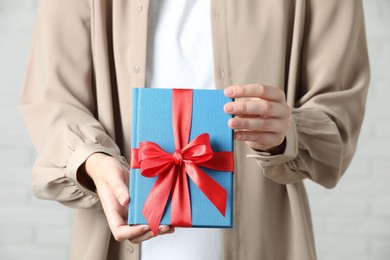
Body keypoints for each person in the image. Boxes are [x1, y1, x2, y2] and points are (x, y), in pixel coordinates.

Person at [19, 0, 370, 259]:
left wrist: (285, 130)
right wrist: (94, 160)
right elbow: (52, 96)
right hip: (114, 242)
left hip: (266, 240)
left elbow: (336, 117)